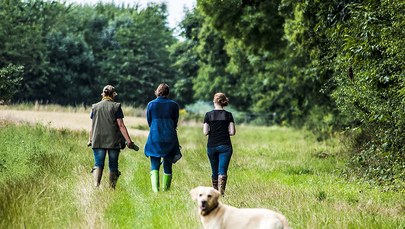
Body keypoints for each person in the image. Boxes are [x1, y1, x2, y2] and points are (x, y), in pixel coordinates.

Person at [88, 85, 138, 189]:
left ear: (103, 94)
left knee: (98, 164)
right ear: (113, 94)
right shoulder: (116, 106)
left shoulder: (95, 106)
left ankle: (96, 185)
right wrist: (129, 141)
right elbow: (121, 125)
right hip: (114, 141)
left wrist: (90, 139)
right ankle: (111, 188)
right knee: (113, 165)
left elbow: (93, 125)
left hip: (98, 140)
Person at [144, 83, 180, 192]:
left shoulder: (151, 104)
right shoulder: (174, 105)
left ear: (157, 91)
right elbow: (175, 122)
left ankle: (156, 191)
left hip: (155, 137)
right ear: (168, 92)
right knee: (168, 165)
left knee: (154, 164)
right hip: (169, 137)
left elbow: (149, 122)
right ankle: (165, 190)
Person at [203, 92, 236, 196]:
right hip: (225, 146)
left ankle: (215, 193)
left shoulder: (208, 115)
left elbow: (205, 132)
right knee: (222, 171)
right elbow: (232, 132)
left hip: (212, 145)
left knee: (214, 171)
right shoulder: (228, 115)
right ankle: (221, 193)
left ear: (214, 101)